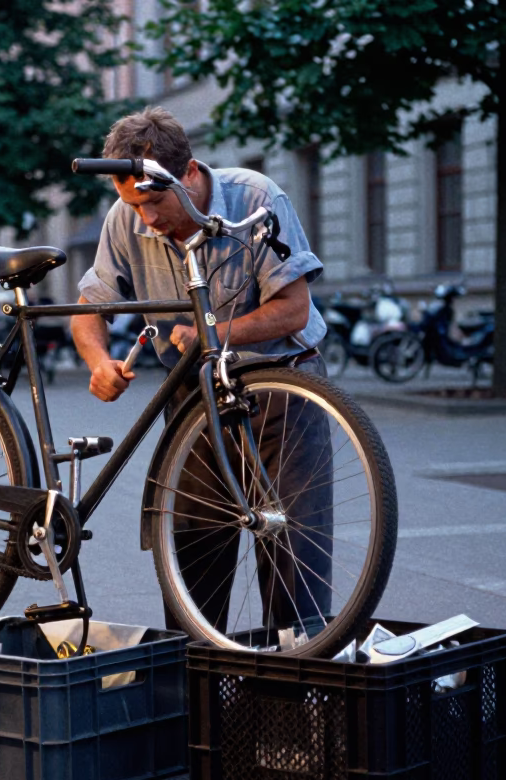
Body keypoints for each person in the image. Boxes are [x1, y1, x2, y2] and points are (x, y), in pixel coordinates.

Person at [70, 106, 331, 633]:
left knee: (291, 554)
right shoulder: (126, 218)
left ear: (189, 173)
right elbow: (87, 308)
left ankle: (295, 686)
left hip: (278, 384)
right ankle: (201, 690)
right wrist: (99, 363)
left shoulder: (257, 199)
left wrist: (214, 332)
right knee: (193, 559)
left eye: (155, 199)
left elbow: (293, 309)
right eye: (131, 203)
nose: (146, 217)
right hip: (194, 397)